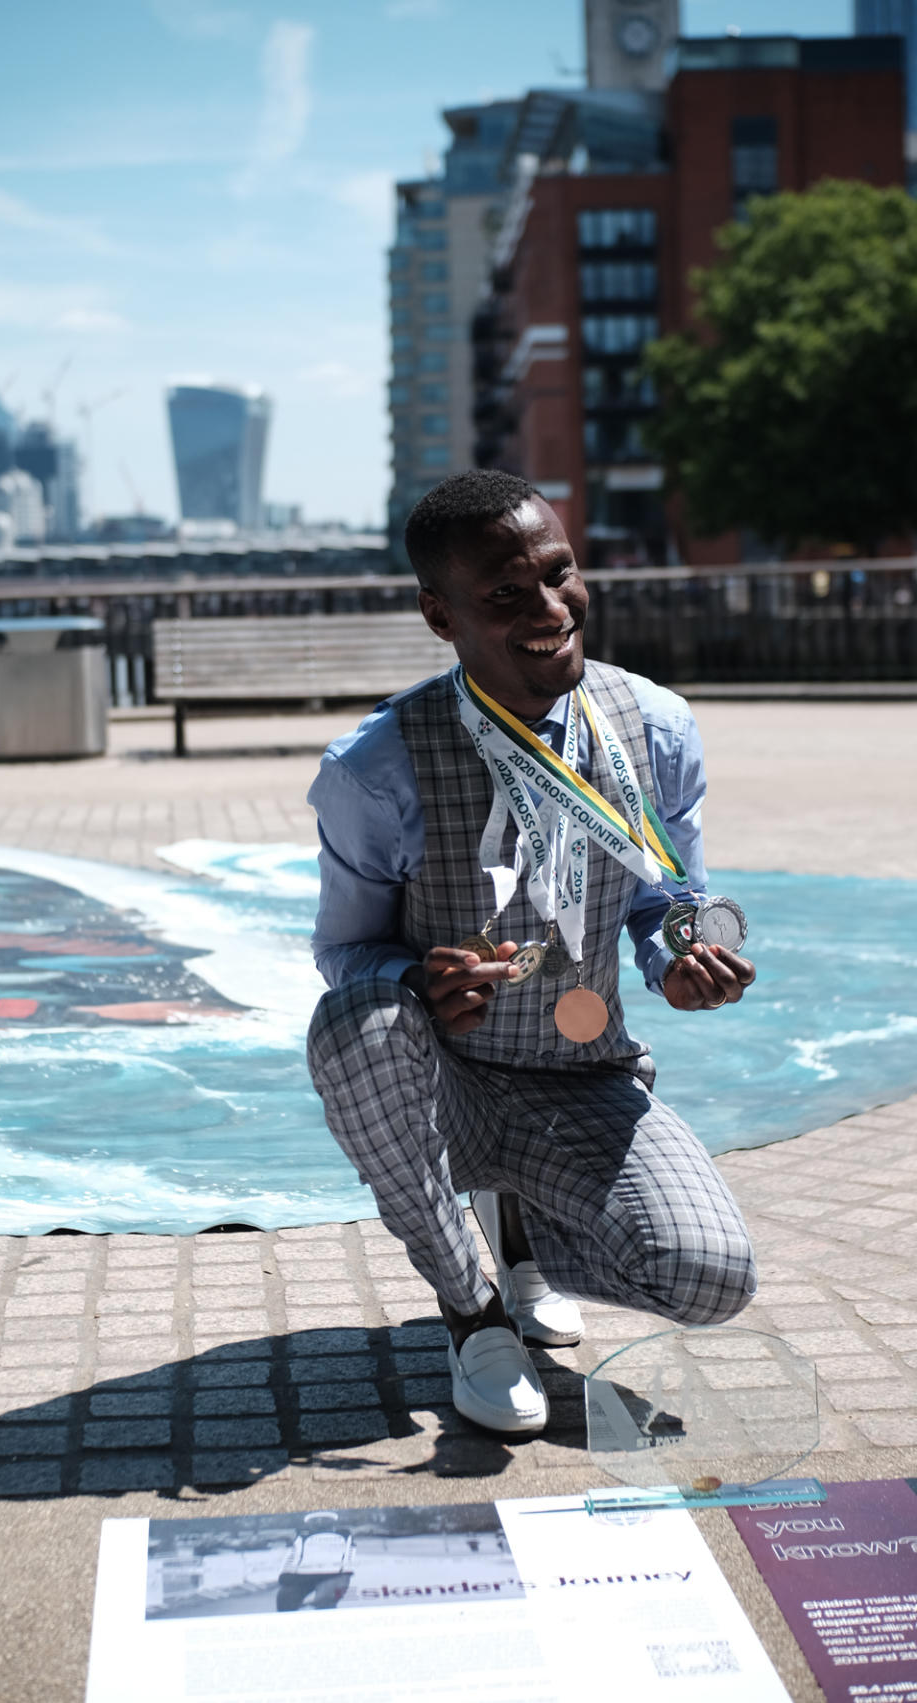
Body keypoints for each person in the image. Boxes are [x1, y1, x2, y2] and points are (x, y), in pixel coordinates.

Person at [307, 469, 757, 1436]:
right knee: (358, 1021)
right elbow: (345, 950)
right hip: (446, 1083)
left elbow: (671, 896)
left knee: (711, 1277)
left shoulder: (656, 726)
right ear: (441, 614)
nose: (550, 608)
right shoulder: (374, 768)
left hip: (582, 1073)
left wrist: (684, 952)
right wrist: (415, 982)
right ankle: (473, 1315)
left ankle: (527, 1233)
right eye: (505, 594)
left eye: (559, 574)